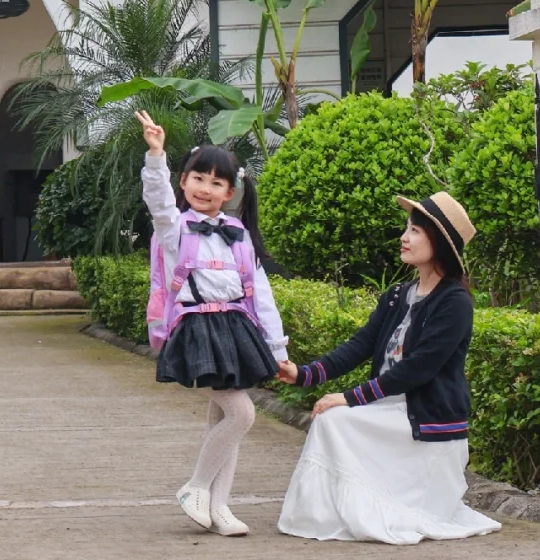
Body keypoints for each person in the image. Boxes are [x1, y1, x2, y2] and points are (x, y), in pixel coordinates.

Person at [277, 191, 501, 545]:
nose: (404, 237)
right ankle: (326, 515)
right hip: (389, 412)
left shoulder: (455, 303)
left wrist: (350, 398)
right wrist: (304, 374)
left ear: (439, 242)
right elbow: (361, 344)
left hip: (424, 420)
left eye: (414, 231)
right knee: (328, 418)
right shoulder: (398, 295)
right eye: (406, 229)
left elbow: (419, 368)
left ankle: (369, 511)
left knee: (334, 417)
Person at [136, 110, 290, 538]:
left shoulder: (240, 233)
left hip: (236, 329)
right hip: (197, 328)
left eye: (216, 182)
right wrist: (156, 156)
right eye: (197, 178)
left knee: (220, 418)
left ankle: (220, 507)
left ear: (230, 191)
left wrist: (277, 348)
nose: (205, 189)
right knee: (241, 414)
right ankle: (197, 487)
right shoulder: (175, 230)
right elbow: (158, 203)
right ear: (183, 181)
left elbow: (261, 293)